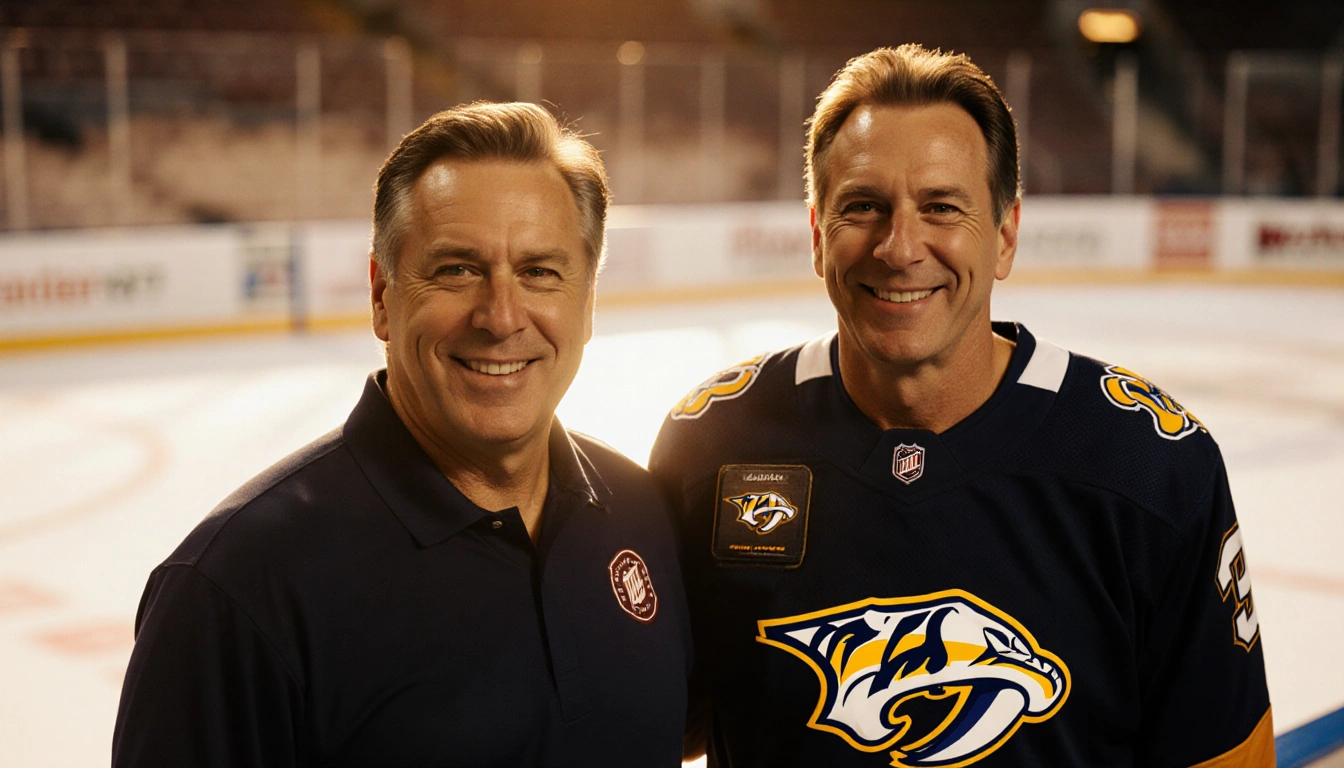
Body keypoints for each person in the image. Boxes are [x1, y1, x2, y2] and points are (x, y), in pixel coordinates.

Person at [650, 45, 1272, 767]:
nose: (899, 246)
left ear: (1006, 235)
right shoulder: (711, 444)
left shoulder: (1150, 468)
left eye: (941, 207)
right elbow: (653, 716)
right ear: (818, 236)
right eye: (863, 207)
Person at [114, 102, 692, 767]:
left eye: (539, 271)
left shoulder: (644, 515)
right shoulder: (237, 591)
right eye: (456, 270)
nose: (501, 317)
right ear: (382, 295)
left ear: (587, 302)